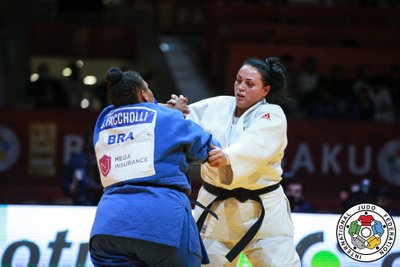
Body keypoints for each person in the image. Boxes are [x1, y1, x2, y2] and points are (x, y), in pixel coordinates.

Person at [89, 66, 218, 266]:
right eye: (148, 89)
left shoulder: (104, 120)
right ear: (144, 94)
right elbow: (208, 149)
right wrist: (177, 114)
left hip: (108, 227)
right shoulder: (169, 119)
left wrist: (168, 110)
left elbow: (139, 114)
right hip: (161, 223)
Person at [179, 57, 301, 266]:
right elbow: (185, 120)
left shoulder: (272, 115)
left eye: (249, 84)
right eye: (238, 80)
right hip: (215, 213)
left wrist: (227, 157)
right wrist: (175, 111)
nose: (240, 88)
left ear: (265, 91)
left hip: (265, 218)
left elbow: (254, 144)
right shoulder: (219, 106)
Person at [62, 129, 103, 205]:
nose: (91, 148)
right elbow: (65, 182)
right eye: (89, 144)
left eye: (93, 145)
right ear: (85, 143)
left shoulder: (104, 159)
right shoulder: (76, 160)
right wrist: (71, 187)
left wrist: (96, 186)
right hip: (80, 201)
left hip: (100, 201)